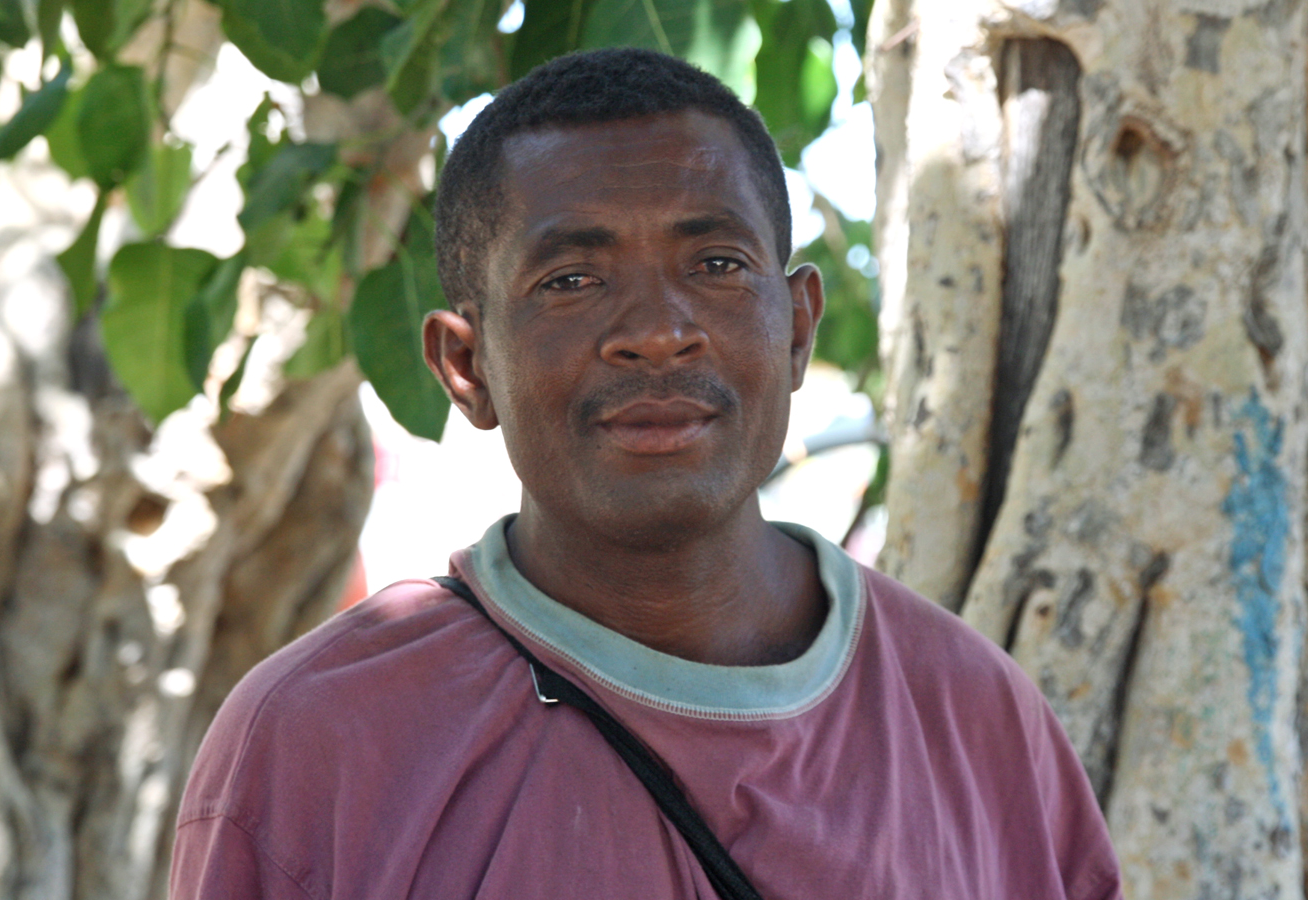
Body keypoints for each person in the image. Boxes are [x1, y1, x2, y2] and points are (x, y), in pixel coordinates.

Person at [169, 47, 1122, 900]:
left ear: (796, 326)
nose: (658, 329)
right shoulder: (321, 741)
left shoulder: (973, 716)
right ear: (466, 366)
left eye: (714, 262)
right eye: (571, 280)